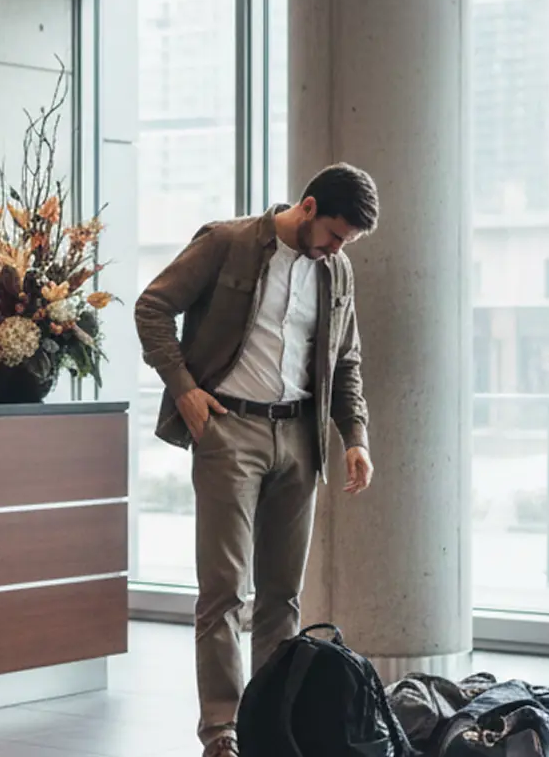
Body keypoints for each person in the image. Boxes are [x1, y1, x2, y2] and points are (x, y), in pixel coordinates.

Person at [134, 164, 381, 757]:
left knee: (282, 596)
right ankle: (222, 730)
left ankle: (273, 724)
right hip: (230, 431)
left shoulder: (336, 271)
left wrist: (356, 437)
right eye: (335, 234)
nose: (337, 249)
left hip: (300, 437)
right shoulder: (228, 243)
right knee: (223, 591)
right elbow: (152, 308)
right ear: (308, 206)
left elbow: (345, 360)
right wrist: (185, 389)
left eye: (346, 242)